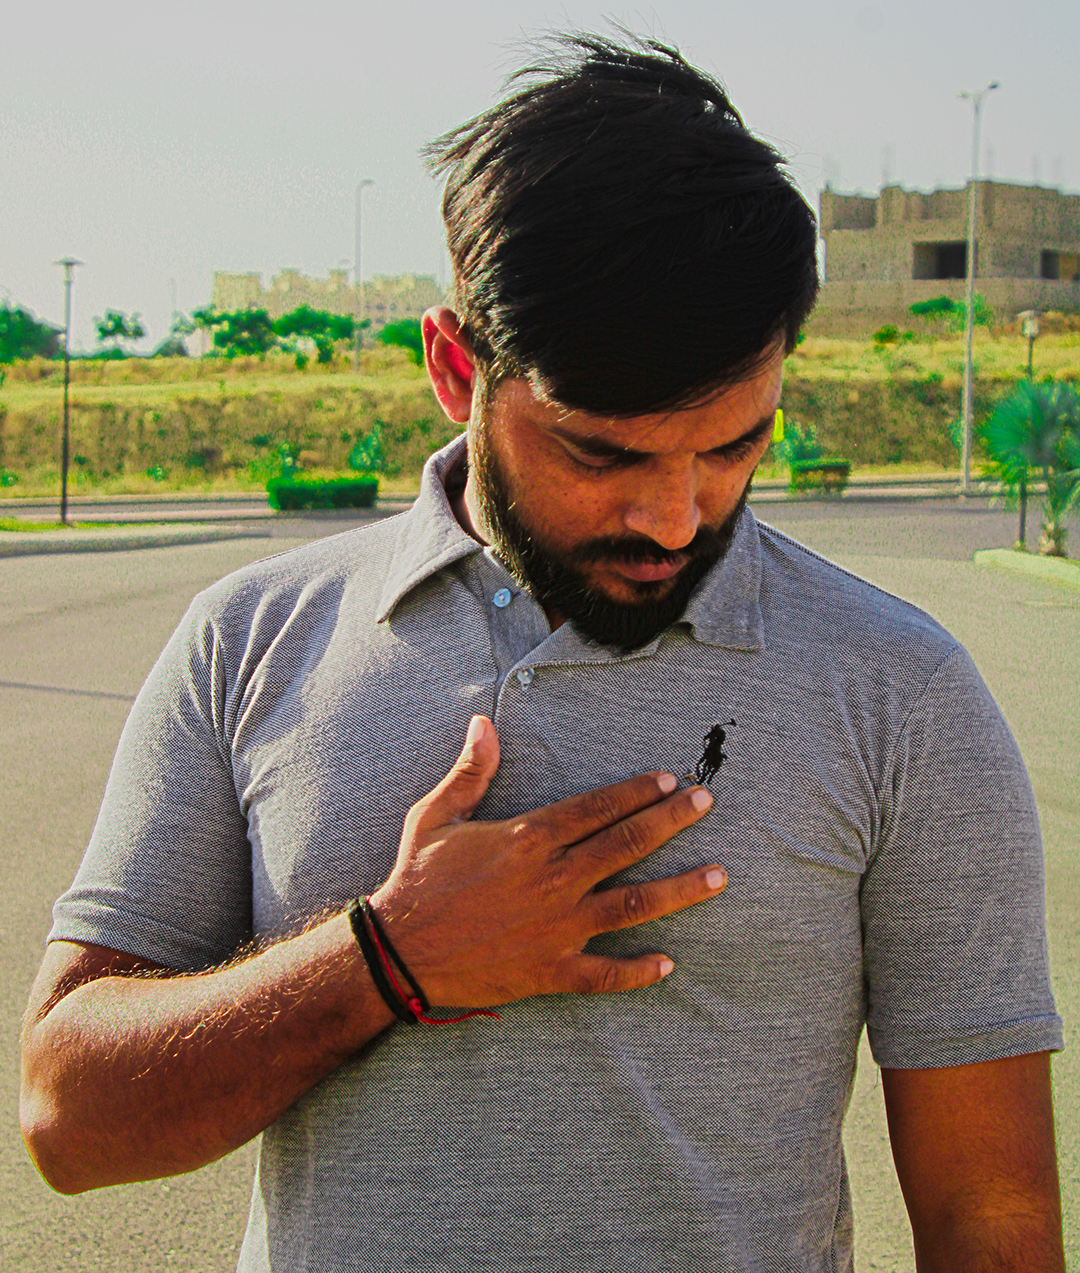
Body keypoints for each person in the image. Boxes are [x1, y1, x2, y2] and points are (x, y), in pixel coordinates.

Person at [21, 32, 1063, 1273]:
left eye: (733, 446)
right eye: (603, 452)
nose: (674, 518)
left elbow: (990, 1214)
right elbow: (68, 1117)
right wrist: (385, 959)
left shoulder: (902, 692)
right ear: (454, 365)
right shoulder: (250, 638)